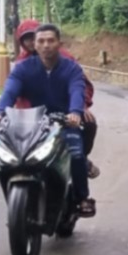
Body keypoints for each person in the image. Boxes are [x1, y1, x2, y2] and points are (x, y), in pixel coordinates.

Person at [0, 23, 95, 217]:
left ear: (59, 44)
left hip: (64, 123)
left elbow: (77, 90)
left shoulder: (71, 68)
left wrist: (75, 112)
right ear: (35, 46)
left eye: (50, 41)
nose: (46, 45)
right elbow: (10, 90)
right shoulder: (23, 68)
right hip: (32, 123)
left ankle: (82, 197)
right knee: (13, 156)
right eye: (41, 41)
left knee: (77, 154)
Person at [14, 19, 99, 179]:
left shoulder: (65, 60)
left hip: (64, 110)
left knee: (89, 124)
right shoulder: (22, 64)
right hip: (33, 113)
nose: (32, 43)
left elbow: (79, 85)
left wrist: (81, 107)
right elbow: (13, 91)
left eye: (34, 37)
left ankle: (82, 160)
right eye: (27, 39)